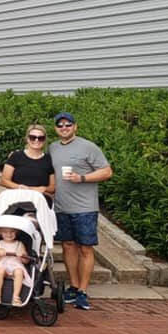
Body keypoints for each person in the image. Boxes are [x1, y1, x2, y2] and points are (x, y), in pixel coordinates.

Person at [49, 112, 113, 311]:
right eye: (60, 125)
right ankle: (74, 286)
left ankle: (83, 292)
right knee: (68, 246)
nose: (64, 128)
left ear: (75, 127)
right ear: (56, 128)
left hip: (85, 207)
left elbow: (107, 171)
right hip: (61, 206)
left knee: (85, 248)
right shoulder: (52, 147)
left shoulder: (88, 146)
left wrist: (82, 178)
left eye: (68, 124)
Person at [1, 124, 55, 198]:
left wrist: (44, 188)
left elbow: (52, 187)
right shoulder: (16, 156)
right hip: (16, 201)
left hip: (39, 202)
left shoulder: (48, 160)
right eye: (33, 137)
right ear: (27, 138)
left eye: (41, 138)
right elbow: (4, 181)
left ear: (45, 140)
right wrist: (20, 187)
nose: (37, 140)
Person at [0, 223, 32, 306]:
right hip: (3, 265)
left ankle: (16, 297)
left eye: (12, 232)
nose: (9, 234)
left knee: (19, 272)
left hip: (16, 266)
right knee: (0, 270)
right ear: (0, 232)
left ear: (16, 232)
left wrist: (22, 256)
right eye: (5, 232)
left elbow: (26, 261)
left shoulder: (19, 244)